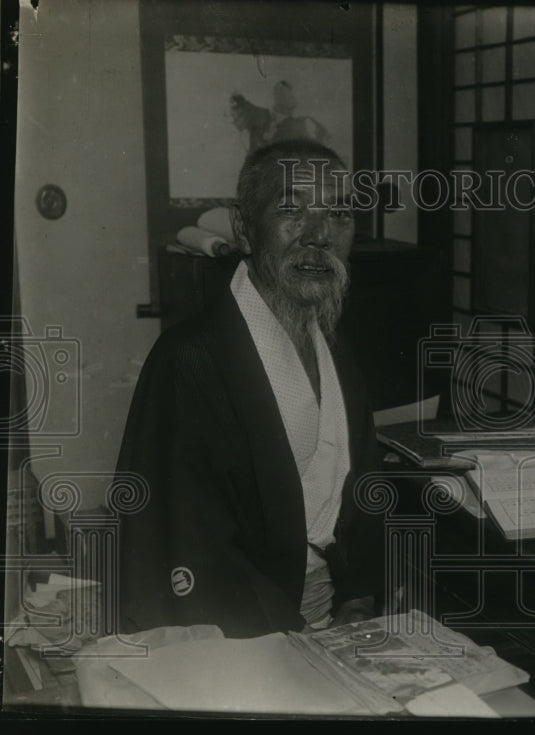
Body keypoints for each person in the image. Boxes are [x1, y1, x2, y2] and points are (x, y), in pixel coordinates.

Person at [115, 138, 384, 638]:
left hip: (333, 620)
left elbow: (365, 495)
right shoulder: (189, 360)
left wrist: (359, 599)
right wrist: (294, 638)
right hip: (246, 632)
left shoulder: (336, 349)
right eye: (291, 210)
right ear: (244, 228)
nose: (319, 235)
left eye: (339, 214)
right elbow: (187, 541)